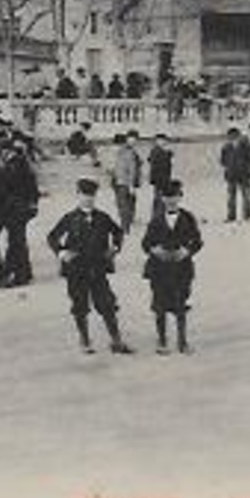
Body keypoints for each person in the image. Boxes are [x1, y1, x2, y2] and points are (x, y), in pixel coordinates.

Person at [46, 179, 133, 355]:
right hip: (76, 270)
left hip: (98, 269)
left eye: (91, 195)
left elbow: (118, 232)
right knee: (80, 305)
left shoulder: (103, 217)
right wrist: (62, 253)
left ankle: (116, 340)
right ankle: (85, 340)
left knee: (107, 304)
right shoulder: (70, 218)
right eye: (84, 195)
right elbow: (52, 237)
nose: (88, 199)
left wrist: (114, 248)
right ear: (77, 195)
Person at [141, 180, 204, 354]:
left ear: (180, 197)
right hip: (159, 269)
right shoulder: (156, 219)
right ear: (162, 198)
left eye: (174, 197)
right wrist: (156, 250)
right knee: (159, 306)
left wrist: (187, 251)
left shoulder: (188, 218)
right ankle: (162, 341)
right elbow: (146, 243)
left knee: (180, 304)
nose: (171, 201)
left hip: (181, 268)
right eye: (167, 197)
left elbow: (197, 241)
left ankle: (182, 342)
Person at [0, 137, 40, 287]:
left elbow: (28, 185)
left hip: (18, 208)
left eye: (3, 151)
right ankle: (21, 272)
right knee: (17, 241)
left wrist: (32, 204)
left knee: (16, 241)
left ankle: (19, 274)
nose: (2, 154)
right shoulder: (10, 163)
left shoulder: (19, 164)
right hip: (10, 208)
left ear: (8, 151)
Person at [109, 132, 143, 234]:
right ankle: (126, 223)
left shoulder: (128, 153)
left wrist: (132, 185)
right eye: (115, 145)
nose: (116, 147)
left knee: (124, 204)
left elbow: (132, 170)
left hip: (124, 182)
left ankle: (125, 226)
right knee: (121, 203)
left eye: (118, 145)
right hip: (116, 181)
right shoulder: (114, 153)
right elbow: (109, 167)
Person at [219, 127, 250, 222]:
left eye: (234, 135)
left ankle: (247, 215)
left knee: (246, 196)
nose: (232, 137)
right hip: (231, 174)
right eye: (230, 136)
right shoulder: (226, 147)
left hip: (244, 174)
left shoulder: (245, 145)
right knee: (231, 197)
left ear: (238, 135)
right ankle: (231, 216)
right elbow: (222, 161)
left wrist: (246, 167)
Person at [146, 134, 175, 220]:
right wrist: (168, 155)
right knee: (160, 200)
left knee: (160, 200)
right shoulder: (156, 152)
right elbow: (157, 166)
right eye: (161, 140)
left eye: (164, 141)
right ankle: (157, 218)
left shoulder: (159, 151)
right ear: (157, 141)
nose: (164, 142)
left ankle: (158, 217)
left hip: (162, 180)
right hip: (160, 180)